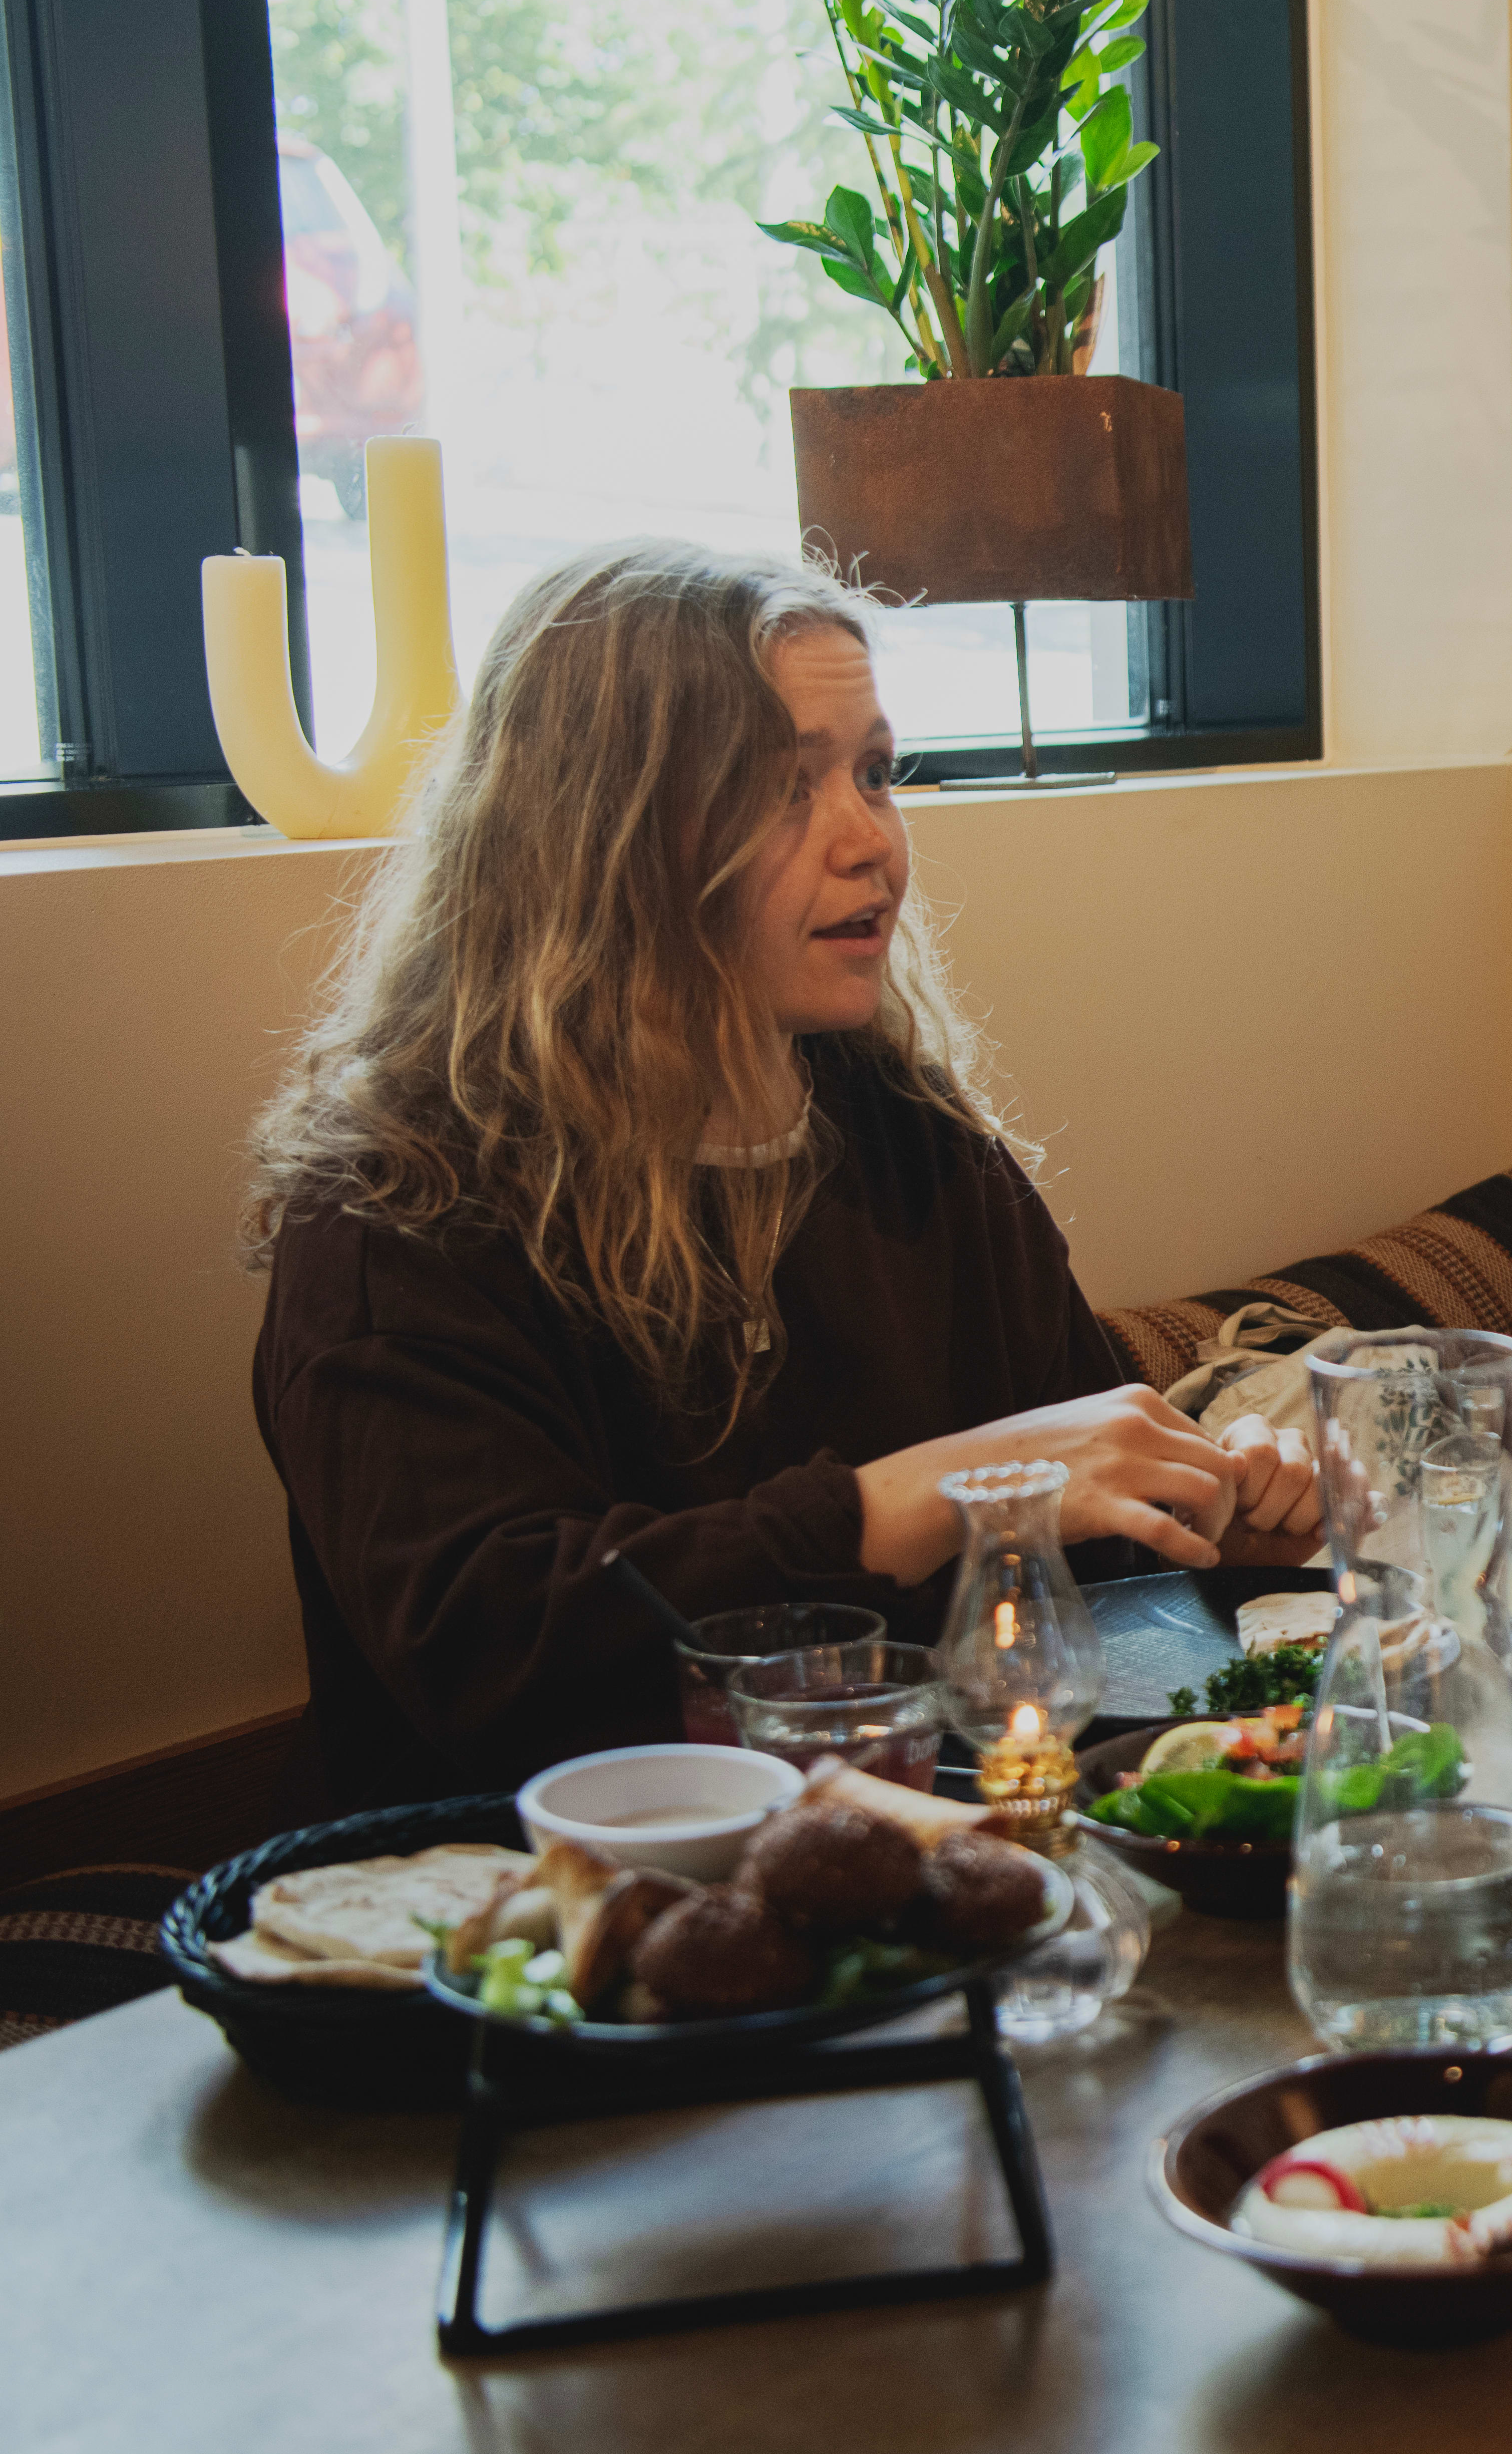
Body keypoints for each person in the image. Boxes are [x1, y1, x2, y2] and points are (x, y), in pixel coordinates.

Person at [246, 542, 1320, 1809]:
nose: (869, 841)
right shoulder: (401, 1205)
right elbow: (501, 1659)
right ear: (599, 836)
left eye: (874, 772)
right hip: (548, 1919)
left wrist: (1209, 1522)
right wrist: (915, 1498)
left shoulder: (906, 1132)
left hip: (928, 1844)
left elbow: (1065, 1544)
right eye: (780, 788)